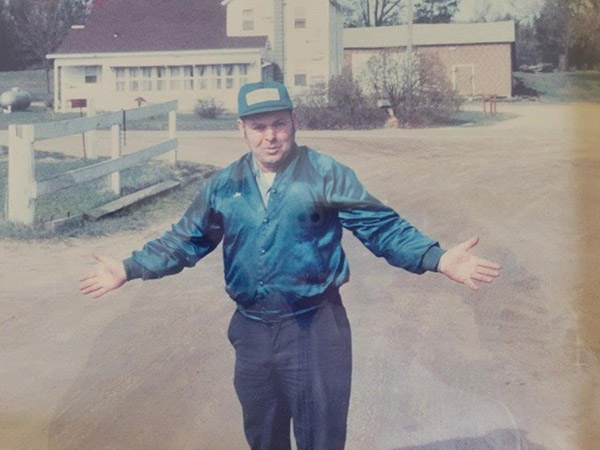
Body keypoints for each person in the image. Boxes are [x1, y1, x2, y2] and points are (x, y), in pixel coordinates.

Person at [80, 81, 501, 450]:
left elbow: (381, 227)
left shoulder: (325, 173)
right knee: (263, 435)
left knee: (321, 438)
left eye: (279, 124)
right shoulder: (224, 186)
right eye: (259, 127)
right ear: (241, 129)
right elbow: (186, 240)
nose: (270, 137)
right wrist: (129, 267)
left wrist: (439, 257)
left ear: (294, 123)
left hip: (316, 328)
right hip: (253, 329)